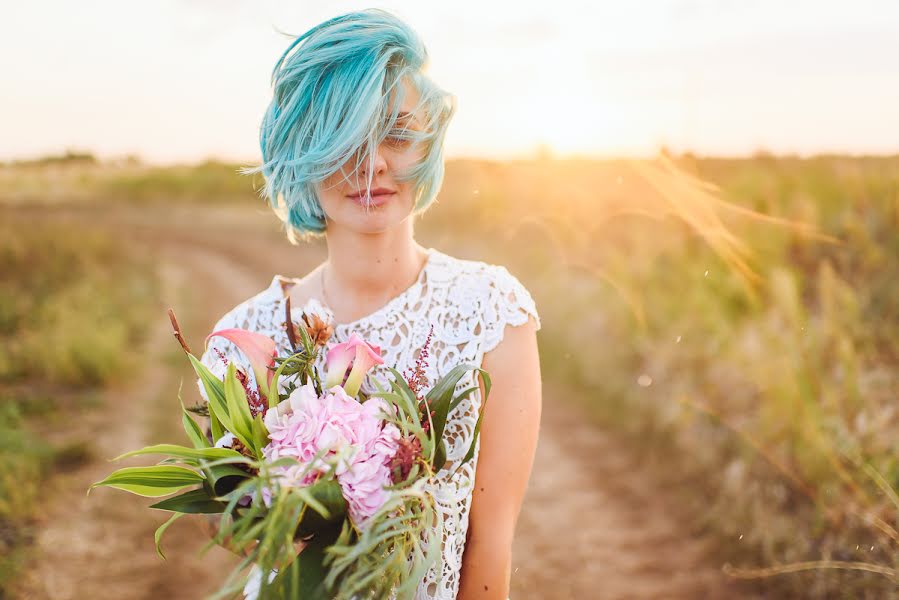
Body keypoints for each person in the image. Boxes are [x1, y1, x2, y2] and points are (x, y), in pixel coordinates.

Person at [197, 9, 542, 600]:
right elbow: (231, 528)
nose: (373, 162)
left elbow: (491, 543)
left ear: (428, 141)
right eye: (343, 136)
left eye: (397, 132)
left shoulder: (491, 312)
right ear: (300, 150)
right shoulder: (243, 337)